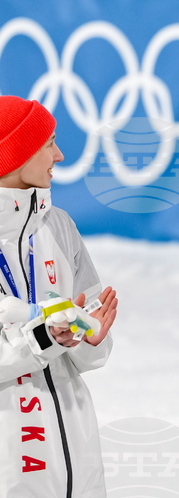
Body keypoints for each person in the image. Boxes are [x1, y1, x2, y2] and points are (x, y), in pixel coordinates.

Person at [0, 96, 118, 498]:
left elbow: (88, 342)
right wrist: (42, 338)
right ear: (15, 154)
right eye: (48, 143)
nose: (61, 155)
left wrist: (89, 338)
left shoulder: (59, 226)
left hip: (77, 456)